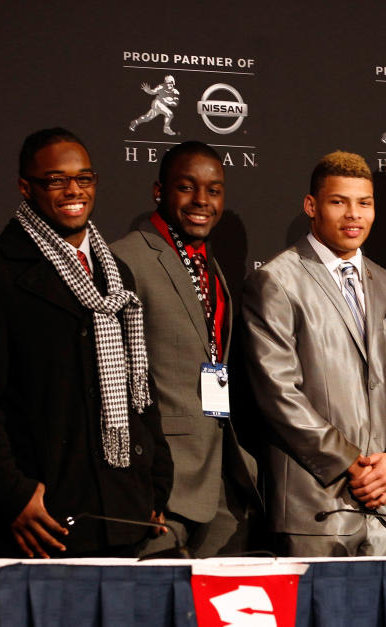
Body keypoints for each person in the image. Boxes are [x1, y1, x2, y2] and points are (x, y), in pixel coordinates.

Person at [0, 128, 172, 558]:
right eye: (56, 180)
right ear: (26, 187)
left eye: (84, 178)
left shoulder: (117, 276)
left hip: (126, 514)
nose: (74, 190)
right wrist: (14, 495)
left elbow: (140, 389)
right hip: (47, 526)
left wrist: (154, 480)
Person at [243, 151, 386, 556]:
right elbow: (278, 394)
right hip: (316, 508)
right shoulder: (276, 280)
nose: (353, 215)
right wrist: (350, 463)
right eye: (338, 201)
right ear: (312, 206)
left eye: (364, 202)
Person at [111, 141, 262, 557]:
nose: (202, 201)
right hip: (164, 487)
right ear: (159, 191)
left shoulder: (205, 263)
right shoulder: (126, 259)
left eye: (214, 190)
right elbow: (115, 384)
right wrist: (141, 483)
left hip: (223, 477)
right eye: (187, 187)